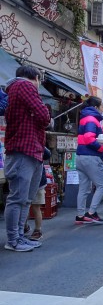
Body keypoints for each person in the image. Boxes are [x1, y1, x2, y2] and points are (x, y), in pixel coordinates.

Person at [3, 65, 51, 252]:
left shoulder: (15, 89)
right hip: (25, 150)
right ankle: (14, 240)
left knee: (24, 198)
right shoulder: (24, 86)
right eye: (39, 80)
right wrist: (47, 117)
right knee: (18, 198)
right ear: (35, 78)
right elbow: (44, 115)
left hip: (28, 150)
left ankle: (19, 238)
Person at [74, 96, 103, 225]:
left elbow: (86, 135)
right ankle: (92, 212)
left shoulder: (84, 117)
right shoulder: (92, 119)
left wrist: (101, 130)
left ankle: (80, 215)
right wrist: (102, 148)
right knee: (102, 184)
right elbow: (89, 138)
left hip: (80, 156)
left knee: (84, 187)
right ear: (95, 107)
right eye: (102, 106)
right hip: (91, 157)